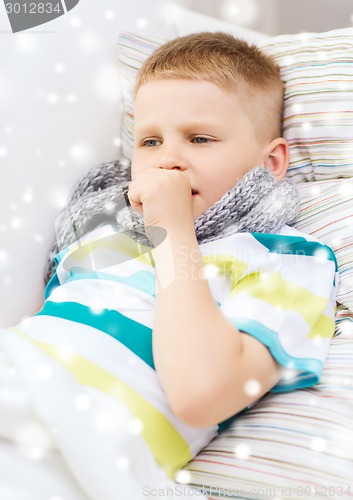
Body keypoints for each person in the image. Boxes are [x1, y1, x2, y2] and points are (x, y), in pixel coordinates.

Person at [9, 32, 338, 484]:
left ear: (272, 161)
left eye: (200, 138)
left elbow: (203, 393)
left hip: (76, 446)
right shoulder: (102, 235)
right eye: (149, 142)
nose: (167, 160)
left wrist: (172, 229)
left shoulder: (288, 258)